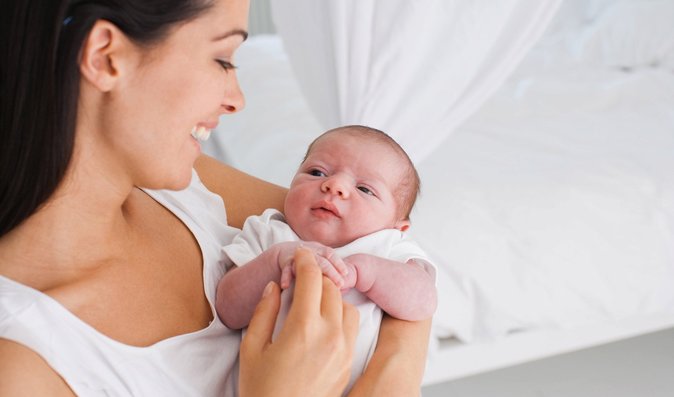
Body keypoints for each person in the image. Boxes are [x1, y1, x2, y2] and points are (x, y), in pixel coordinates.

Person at [0, 1, 431, 396]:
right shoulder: (26, 364)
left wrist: (389, 375)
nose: (236, 100)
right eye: (222, 58)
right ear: (105, 57)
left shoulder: (181, 177)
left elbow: (393, 252)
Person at [216, 125, 438, 393]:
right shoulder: (270, 232)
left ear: (397, 227)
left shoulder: (387, 246)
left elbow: (424, 301)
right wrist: (275, 261)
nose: (334, 185)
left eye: (365, 189)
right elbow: (227, 308)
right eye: (316, 172)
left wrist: (368, 273)